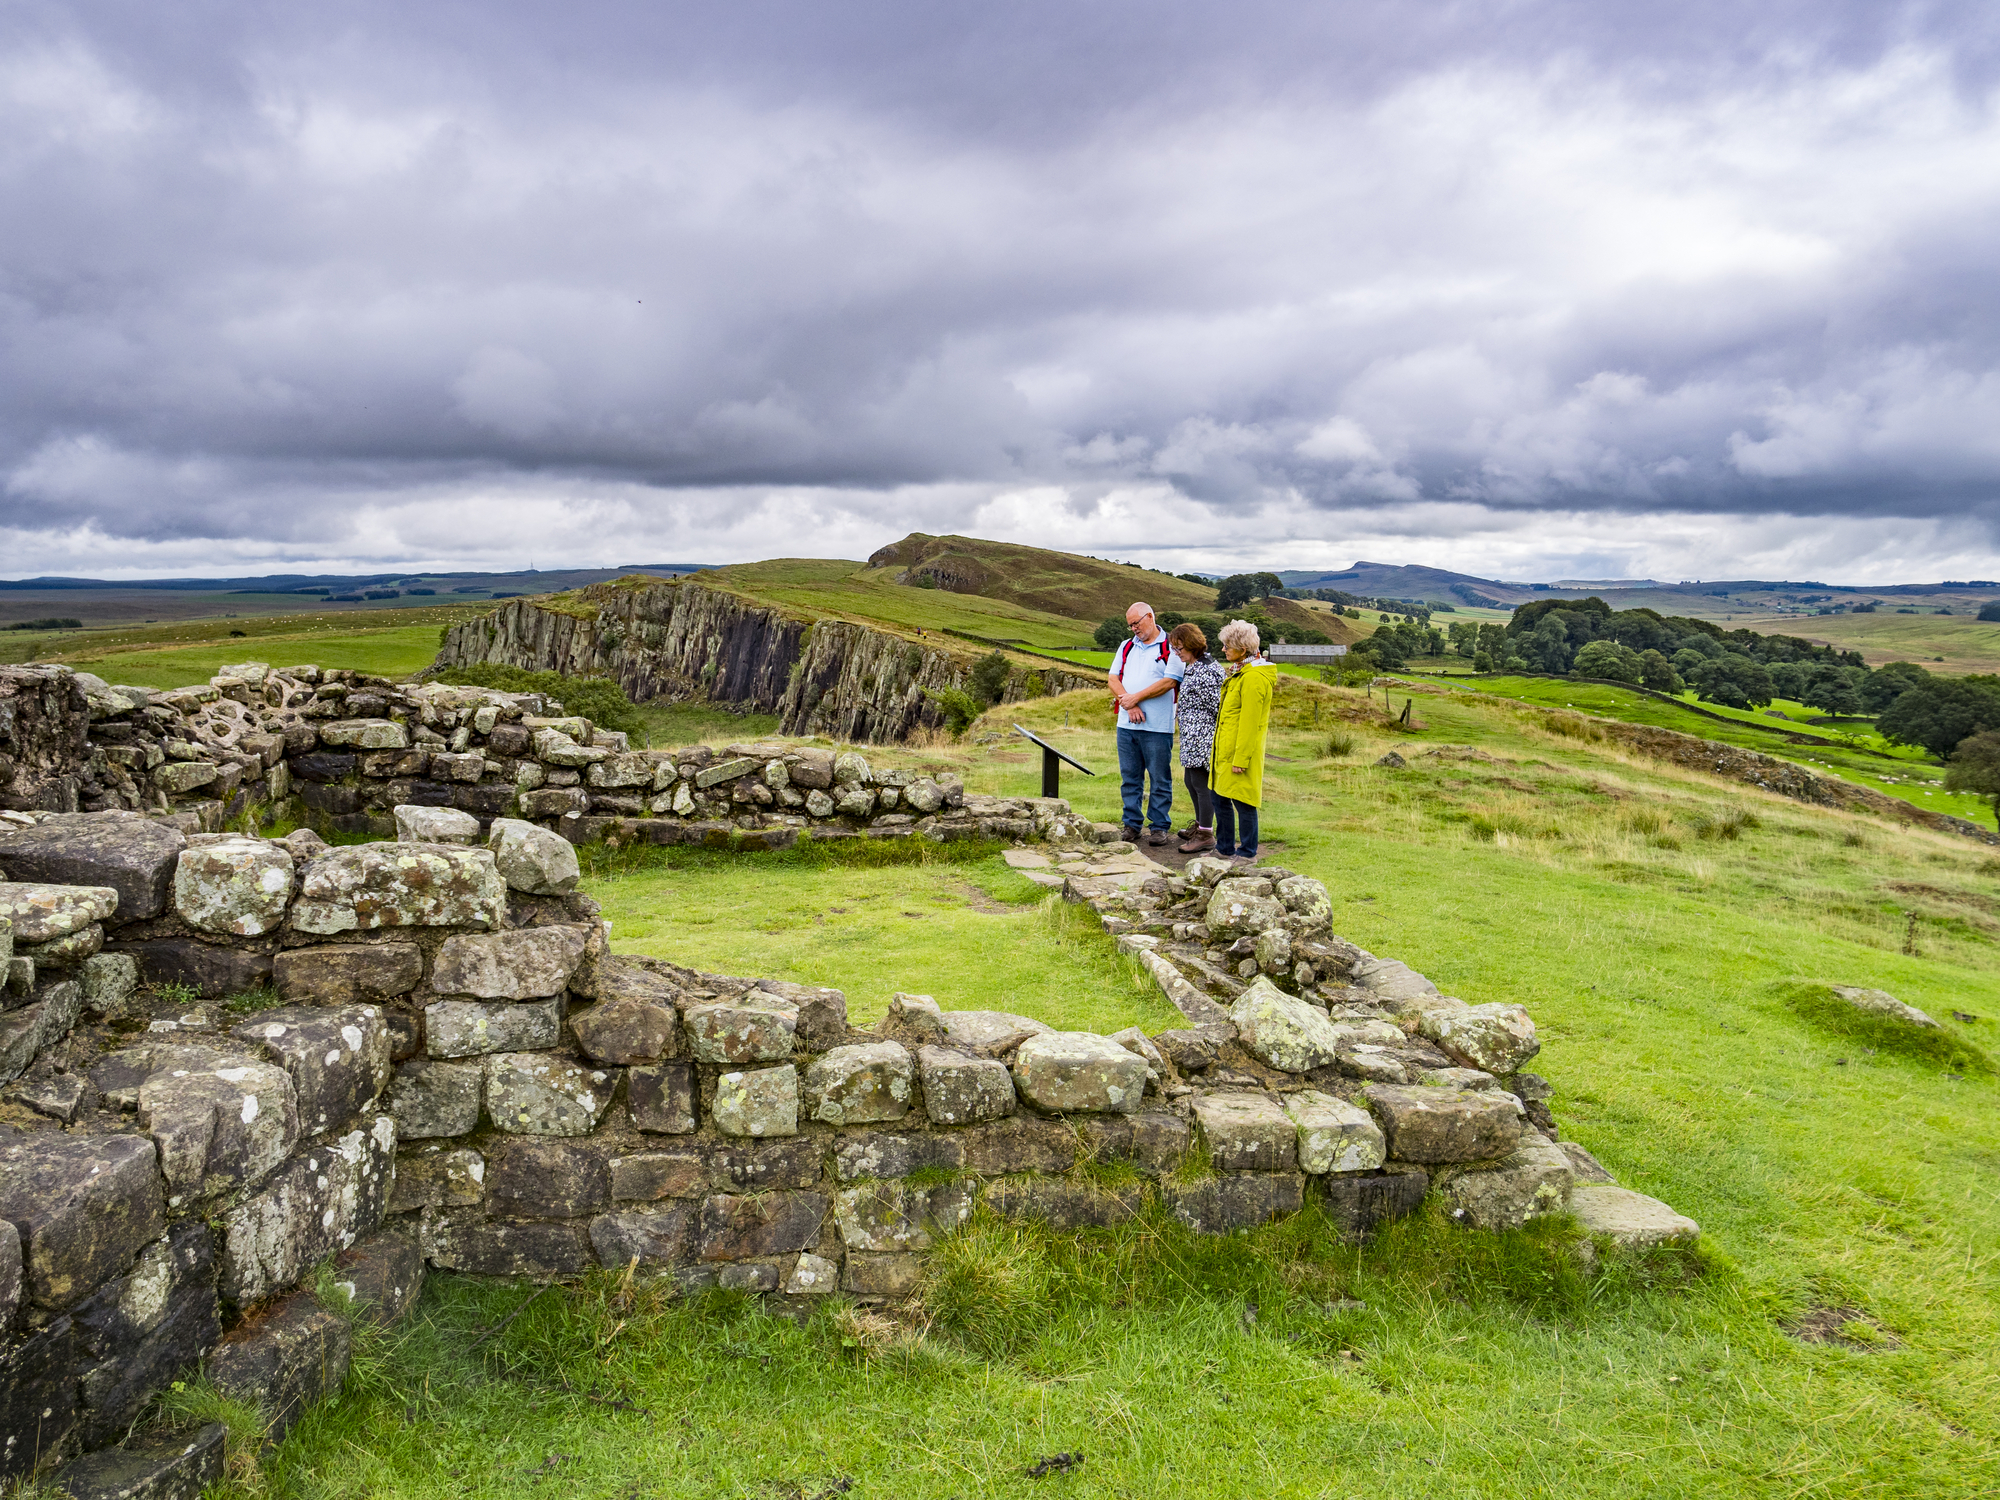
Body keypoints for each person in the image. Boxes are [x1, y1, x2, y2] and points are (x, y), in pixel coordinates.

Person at [1106, 600, 1185, 844]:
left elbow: (1170, 681)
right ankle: (1131, 824)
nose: (1133, 629)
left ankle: (1159, 826)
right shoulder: (1126, 646)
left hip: (1158, 726)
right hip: (1126, 724)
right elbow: (1112, 678)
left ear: (1150, 616)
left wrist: (1134, 698)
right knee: (1130, 777)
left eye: (1136, 623)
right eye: (1130, 625)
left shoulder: (1171, 646)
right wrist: (1130, 705)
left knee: (1160, 777)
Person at [1211, 618, 1274, 863]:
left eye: (1228, 646)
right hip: (1224, 748)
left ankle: (1247, 853)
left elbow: (1250, 723)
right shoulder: (1241, 672)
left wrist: (1241, 758)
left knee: (1244, 801)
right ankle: (1224, 848)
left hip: (1239, 752)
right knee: (1219, 797)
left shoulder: (1254, 678)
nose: (1224, 650)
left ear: (1243, 650)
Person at [1168, 622, 1227, 853]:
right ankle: (1200, 826)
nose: (1176, 652)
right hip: (1192, 736)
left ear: (1192, 645)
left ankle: (1205, 834)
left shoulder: (1207, 670)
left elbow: (1218, 707)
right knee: (1190, 782)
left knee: (1202, 785)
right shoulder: (1193, 666)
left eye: (1179, 648)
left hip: (1204, 736)